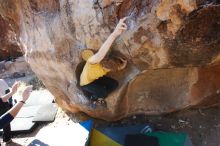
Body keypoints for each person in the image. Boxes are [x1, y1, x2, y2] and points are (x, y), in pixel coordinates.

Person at [80, 17, 128, 105]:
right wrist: (115, 34)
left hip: (95, 80)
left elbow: (118, 68)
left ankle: (98, 94)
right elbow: (102, 52)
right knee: (102, 92)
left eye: (109, 68)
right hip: (86, 83)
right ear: (103, 61)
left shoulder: (110, 66)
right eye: (106, 67)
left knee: (114, 84)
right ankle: (93, 98)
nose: (107, 69)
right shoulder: (92, 62)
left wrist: (123, 63)